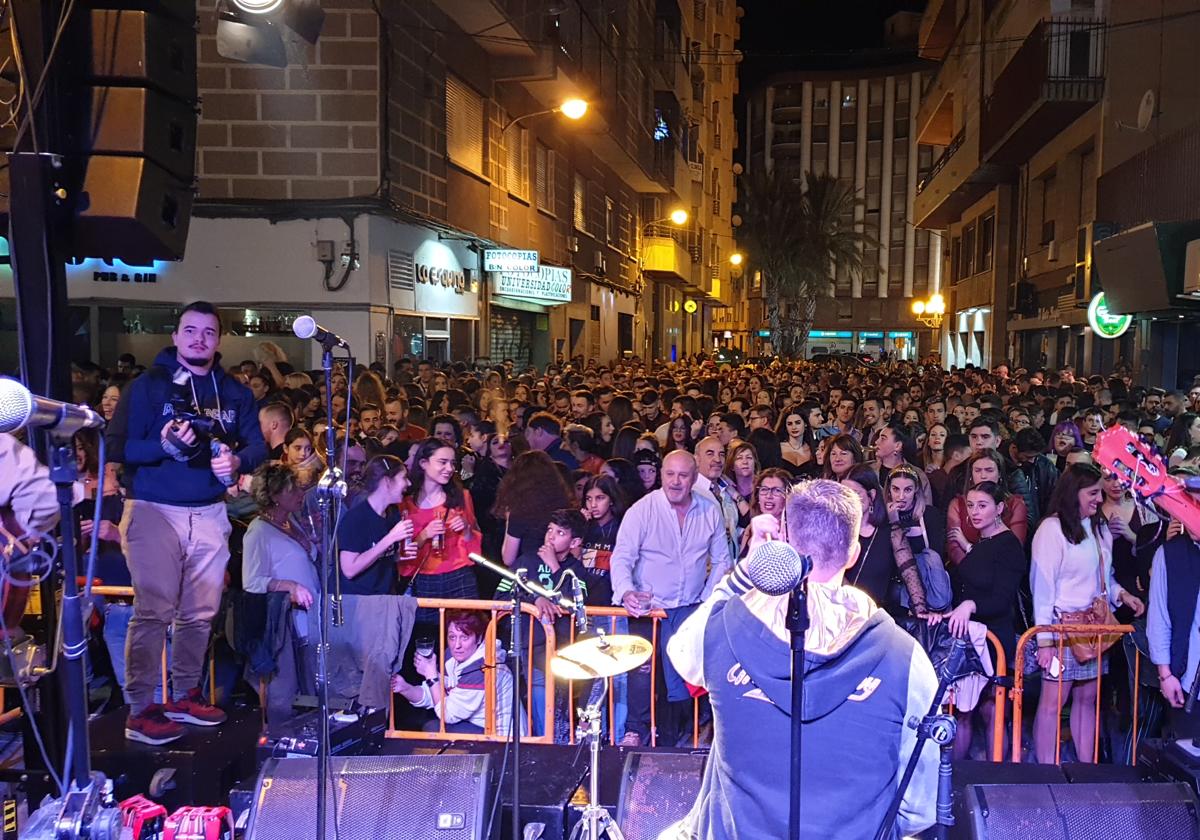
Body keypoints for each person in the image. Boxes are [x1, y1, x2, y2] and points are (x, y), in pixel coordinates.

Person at [662, 479, 938, 839]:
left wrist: (747, 571)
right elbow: (920, 804)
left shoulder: (721, 627)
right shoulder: (906, 658)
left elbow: (681, 654)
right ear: (853, 553)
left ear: (786, 544)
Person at [106, 300, 266, 745]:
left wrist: (236, 459)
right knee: (153, 610)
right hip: (154, 507)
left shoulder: (233, 392)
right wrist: (161, 445)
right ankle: (140, 708)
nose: (199, 338)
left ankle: (184, 693)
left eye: (209, 332)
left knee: (200, 613)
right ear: (175, 336)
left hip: (211, 510)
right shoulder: (145, 388)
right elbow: (116, 447)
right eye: (190, 330)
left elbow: (258, 446)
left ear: (218, 340)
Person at [610, 450, 732, 747]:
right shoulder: (642, 510)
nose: (675, 482)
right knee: (642, 672)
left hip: (691, 606)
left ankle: (682, 738)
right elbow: (622, 557)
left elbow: (721, 560)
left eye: (683, 475)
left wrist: (705, 601)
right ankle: (635, 733)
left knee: (686, 678)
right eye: (670, 474)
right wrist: (626, 592)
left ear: (694, 478)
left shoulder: (709, 508)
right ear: (661, 475)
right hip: (648, 608)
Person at [1030, 463, 1145, 763]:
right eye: (1093, 492)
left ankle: (1085, 768)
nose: (1099, 498)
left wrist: (1123, 595)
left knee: (1087, 700)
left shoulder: (1097, 527)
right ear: (1073, 493)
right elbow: (1041, 589)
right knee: (1053, 704)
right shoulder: (1051, 530)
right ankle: (1045, 773)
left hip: (1093, 628)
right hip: (1062, 630)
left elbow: (1104, 577)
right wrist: (1044, 642)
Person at [930, 481, 1024, 759]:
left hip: (993, 639)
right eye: (970, 506)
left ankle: (997, 782)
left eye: (982, 505)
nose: (974, 512)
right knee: (963, 710)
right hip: (970, 636)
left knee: (991, 710)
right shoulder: (985, 543)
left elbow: (1001, 599)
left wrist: (970, 604)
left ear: (1000, 508)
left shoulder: (1009, 546)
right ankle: (954, 780)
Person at [242, 463, 319, 733]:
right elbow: (252, 581)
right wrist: (289, 585)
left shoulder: (291, 521)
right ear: (274, 495)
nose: (300, 492)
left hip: (309, 621)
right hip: (286, 627)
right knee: (285, 693)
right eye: (292, 488)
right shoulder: (258, 531)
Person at [391, 610, 516, 735]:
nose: (457, 645)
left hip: (501, 737)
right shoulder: (452, 656)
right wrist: (405, 688)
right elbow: (434, 696)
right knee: (427, 724)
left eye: (464, 637)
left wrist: (431, 675)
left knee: (433, 727)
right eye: (452, 637)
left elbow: (448, 715)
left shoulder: (482, 666)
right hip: (474, 724)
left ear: (479, 639)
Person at [400, 438, 482, 622]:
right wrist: (424, 535)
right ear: (423, 463)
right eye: (442, 462)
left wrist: (466, 528)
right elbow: (402, 553)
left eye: (452, 463)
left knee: (466, 631)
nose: (449, 468)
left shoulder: (462, 497)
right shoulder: (405, 504)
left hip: (459, 576)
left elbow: (474, 546)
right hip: (424, 580)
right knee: (428, 640)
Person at [946, 451, 1029, 565]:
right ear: (971, 474)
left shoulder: (1015, 504)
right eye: (977, 470)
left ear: (999, 474)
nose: (983, 476)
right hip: (965, 572)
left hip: (1001, 571)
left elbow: (1014, 549)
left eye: (989, 470)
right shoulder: (957, 504)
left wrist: (969, 547)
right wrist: (969, 569)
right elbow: (954, 548)